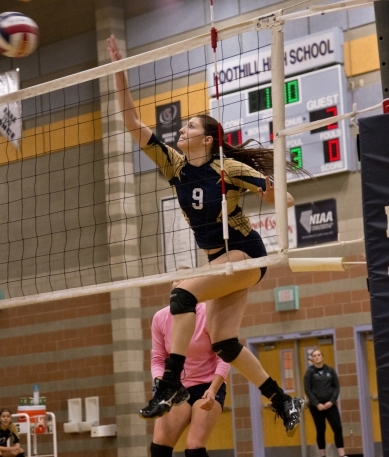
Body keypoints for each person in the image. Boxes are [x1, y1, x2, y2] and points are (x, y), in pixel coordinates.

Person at [107, 34, 303, 435]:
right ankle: (282, 399)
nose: (182, 128)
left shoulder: (227, 169)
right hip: (219, 261)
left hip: (246, 254)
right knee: (224, 342)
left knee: (181, 295)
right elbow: (132, 122)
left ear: (209, 139)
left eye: (191, 126)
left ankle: (170, 384)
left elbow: (286, 197)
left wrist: (274, 192)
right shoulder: (176, 166)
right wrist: (119, 72)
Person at [150, 281, 230, 457]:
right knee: (158, 448)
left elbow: (224, 356)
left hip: (207, 386)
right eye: (176, 288)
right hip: (178, 388)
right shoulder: (160, 318)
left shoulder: (208, 313)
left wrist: (213, 388)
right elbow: (157, 359)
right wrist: (160, 385)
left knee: (194, 448)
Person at [304, 349, 347, 457]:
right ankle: (322, 454)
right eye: (314, 356)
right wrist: (317, 403)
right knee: (321, 429)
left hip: (330, 405)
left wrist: (332, 401)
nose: (317, 357)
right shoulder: (309, 372)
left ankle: (342, 454)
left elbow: (336, 387)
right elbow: (307, 389)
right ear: (312, 359)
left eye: (319, 355)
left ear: (322, 357)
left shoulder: (330, 371)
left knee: (337, 427)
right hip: (316, 406)